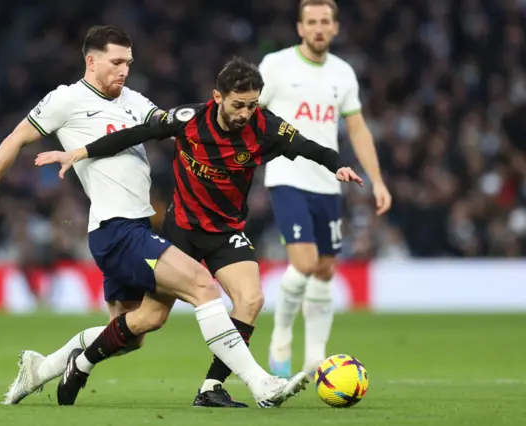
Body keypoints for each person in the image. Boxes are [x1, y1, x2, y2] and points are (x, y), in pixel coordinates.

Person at [0, 25, 309, 409]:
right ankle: (259, 384)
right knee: (202, 285)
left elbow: (180, 125)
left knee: (137, 327)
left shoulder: (134, 99)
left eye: (129, 62)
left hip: (141, 226)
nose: (124, 69)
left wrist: (236, 125)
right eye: (117, 62)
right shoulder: (65, 100)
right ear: (92, 61)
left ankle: (41, 368)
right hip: (114, 228)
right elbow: (14, 140)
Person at [35, 56, 363, 407]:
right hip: (181, 233)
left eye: (252, 105)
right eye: (238, 105)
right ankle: (82, 364)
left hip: (226, 232)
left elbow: (309, 146)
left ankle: (211, 388)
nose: (245, 114)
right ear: (217, 97)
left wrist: (338, 165)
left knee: (251, 299)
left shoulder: (266, 128)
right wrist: (79, 152)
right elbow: (138, 133)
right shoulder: (188, 120)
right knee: (150, 318)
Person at [258, 0, 393, 378]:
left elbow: (357, 128)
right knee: (303, 263)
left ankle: (315, 359)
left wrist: (378, 180)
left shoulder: (343, 73)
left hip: (328, 184)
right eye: (311, 21)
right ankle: (281, 336)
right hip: (287, 177)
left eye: (325, 22)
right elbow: (253, 112)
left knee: (325, 270)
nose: (318, 28)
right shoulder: (277, 66)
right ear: (300, 28)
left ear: (334, 29)